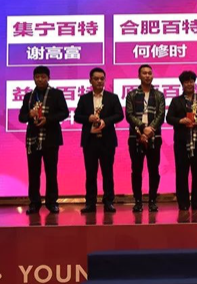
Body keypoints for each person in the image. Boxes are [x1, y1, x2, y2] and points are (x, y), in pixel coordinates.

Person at [18, 66, 69, 214]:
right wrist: (29, 114)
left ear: (48, 78)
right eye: (37, 77)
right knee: (33, 173)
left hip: (51, 138)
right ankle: (34, 202)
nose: (40, 79)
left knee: (51, 172)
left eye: (43, 77)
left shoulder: (56, 94)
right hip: (33, 139)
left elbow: (64, 113)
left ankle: (52, 202)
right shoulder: (29, 96)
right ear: (34, 78)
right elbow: (21, 117)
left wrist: (47, 119)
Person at [74, 68, 124, 213]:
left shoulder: (112, 97)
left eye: (102, 78)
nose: (99, 81)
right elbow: (77, 116)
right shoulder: (84, 99)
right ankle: (90, 203)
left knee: (108, 173)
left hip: (107, 141)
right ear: (90, 80)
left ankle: (109, 202)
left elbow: (119, 115)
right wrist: (88, 118)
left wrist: (105, 121)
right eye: (96, 79)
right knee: (90, 173)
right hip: (90, 141)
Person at [166, 70, 197, 211]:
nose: (189, 84)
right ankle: (183, 202)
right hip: (182, 142)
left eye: (191, 81)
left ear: (194, 83)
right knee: (181, 173)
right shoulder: (176, 101)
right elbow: (169, 118)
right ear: (182, 84)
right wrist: (180, 120)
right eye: (186, 81)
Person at [126, 64, 165, 212]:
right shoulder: (132, 95)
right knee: (136, 171)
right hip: (136, 137)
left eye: (149, 73)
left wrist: (150, 130)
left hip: (154, 137)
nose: (147, 75)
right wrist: (143, 128)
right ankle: (138, 201)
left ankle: (152, 200)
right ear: (139, 76)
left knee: (154, 170)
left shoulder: (159, 95)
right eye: (144, 73)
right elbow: (129, 115)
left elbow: (161, 115)